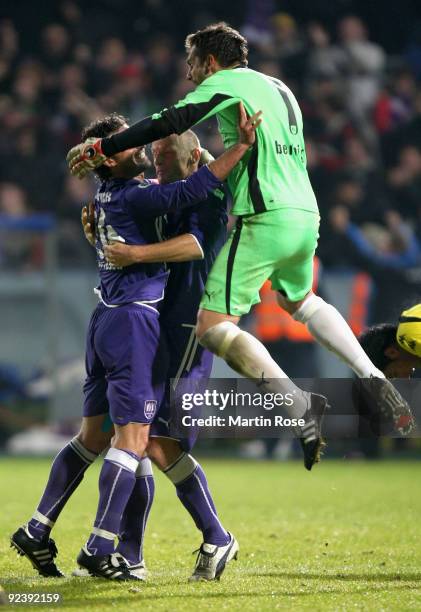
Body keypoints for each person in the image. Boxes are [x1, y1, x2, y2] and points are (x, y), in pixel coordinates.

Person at [67, 22, 414, 471]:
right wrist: (213, 161)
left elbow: (171, 121)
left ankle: (298, 403)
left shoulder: (226, 82)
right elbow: (255, 155)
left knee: (212, 326)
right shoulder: (279, 88)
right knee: (303, 300)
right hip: (305, 215)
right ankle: (370, 374)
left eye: (193, 63)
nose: (190, 74)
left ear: (211, 61)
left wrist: (104, 145)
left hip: (265, 217)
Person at [11, 105, 260, 581]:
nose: (153, 157)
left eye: (162, 152)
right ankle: (119, 549)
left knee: (149, 442)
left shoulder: (200, 196)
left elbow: (196, 244)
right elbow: (162, 196)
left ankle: (193, 538)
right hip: (136, 323)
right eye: (149, 149)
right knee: (129, 439)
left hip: (183, 326)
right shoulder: (147, 193)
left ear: (191, 154)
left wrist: (131, 250)